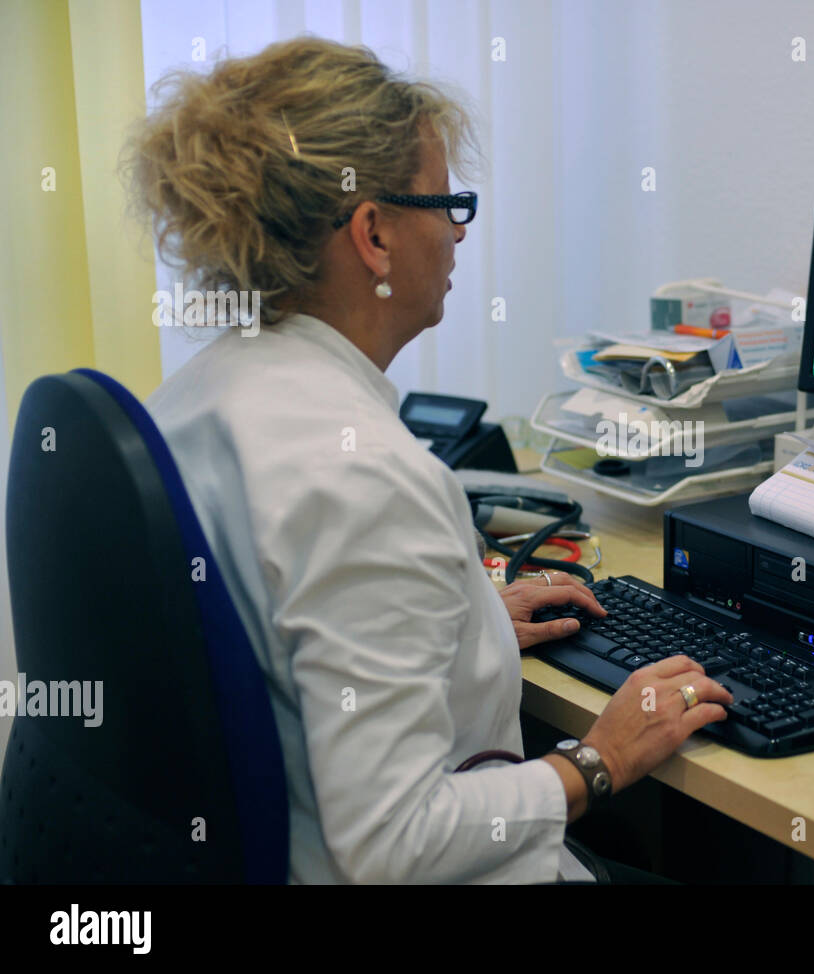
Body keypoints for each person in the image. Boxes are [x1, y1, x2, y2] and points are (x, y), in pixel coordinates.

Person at [124, 36, 731, 883]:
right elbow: (391, 844)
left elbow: (285, 628)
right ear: (373, 233)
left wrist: (463, 627)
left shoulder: (191, 398)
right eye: (447, 202)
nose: (457, 231)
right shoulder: (367, 476)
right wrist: (601, 761)